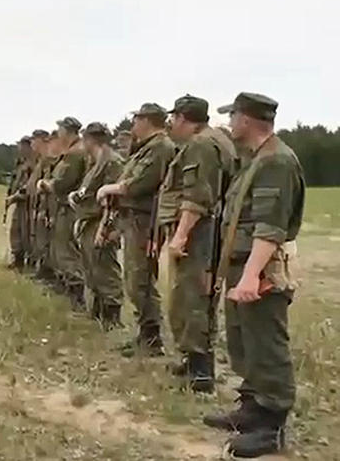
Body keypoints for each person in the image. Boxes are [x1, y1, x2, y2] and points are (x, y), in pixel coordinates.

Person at [203, 93, 304, 458]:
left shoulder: (276, 161)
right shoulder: (256, 159)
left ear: (246, 120)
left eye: (233, 117)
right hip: (244, 265)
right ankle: (252, 408)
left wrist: (250, 276)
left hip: (260, 269)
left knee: (267, 344)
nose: (230, 123)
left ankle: (271, 426)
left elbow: (269, 227)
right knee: (245, 341)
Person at [157, 95, 236, 393]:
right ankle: (193, 360)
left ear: (182, 118)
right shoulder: (216, 139)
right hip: (208, 230)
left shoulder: (201, 145)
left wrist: (180, 235)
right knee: (191, 296)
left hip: (201, 232)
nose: (171, 125)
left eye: (174, 118)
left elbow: (198, 197)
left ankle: (202, 372)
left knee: (193, 297)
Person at [97, 103, 176, 357]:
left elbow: (141, 183)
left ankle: (152, 338)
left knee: (140, 279)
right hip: (135, 220)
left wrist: (111, 189)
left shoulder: (160, 147)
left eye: (137, 119)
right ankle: (146, 333)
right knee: (134, 278)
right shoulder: (147, 148)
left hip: (146, 222)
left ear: (148, 121)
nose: (133, 125)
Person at [70, 122, 124, 328]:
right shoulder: (96, 161)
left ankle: (112, 317)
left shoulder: (112, 162)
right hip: (89, 220)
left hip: (102, 221)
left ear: (90, 139)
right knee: (93, 268)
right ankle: (99, 310)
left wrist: (107, 227)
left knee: (106, 269)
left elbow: (114, 200)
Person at [38, 117, 88, 309]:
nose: (58, 134)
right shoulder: (74, 151)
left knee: (68, 252)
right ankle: (71, 290)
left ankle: (76, 296)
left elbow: (61, 183)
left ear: (67, 131)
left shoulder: (75, 154)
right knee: (65, 250)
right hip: (68, 206)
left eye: (59, 130)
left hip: (69, 209)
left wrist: (45, 184)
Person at [26, 130, 52, 280]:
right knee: (38, 239)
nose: (32, 144)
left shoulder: (48, 159)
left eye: (34, 140)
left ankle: (46, 273)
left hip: (45, 205)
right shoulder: (41, 159)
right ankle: (41, 270)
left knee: (44, 241)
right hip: (37, 203)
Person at [5, 137, 34, 270]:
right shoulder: (20, 163)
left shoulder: (32, 164)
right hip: (18, 201)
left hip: (26, 202)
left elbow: (28, 186)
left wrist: (16, 196)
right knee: (15, 230)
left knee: (24, 231)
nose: (19, 148)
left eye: (22, 146)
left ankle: (23, 260)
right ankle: (17, 258)